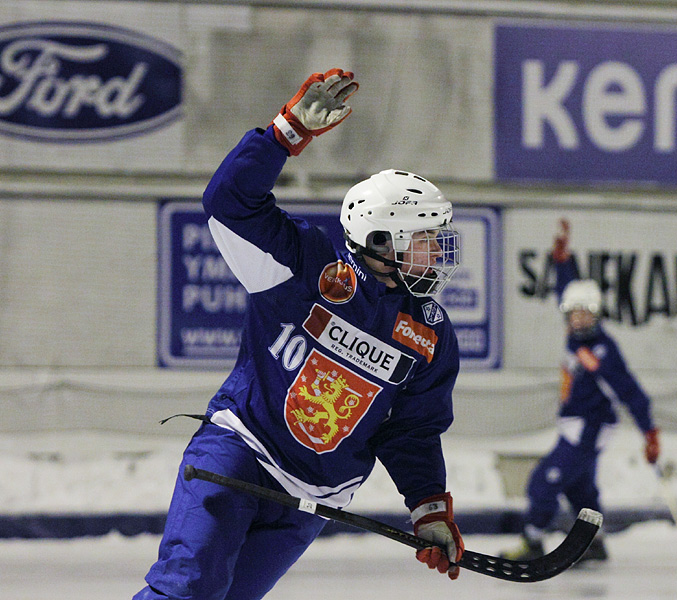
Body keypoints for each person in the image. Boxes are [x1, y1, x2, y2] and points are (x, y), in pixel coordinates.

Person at [135, 69, 465, 599]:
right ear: (381, 240)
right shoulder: (305, 265)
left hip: (312, 496)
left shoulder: (429, 333)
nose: (438, 253)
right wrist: (284, 134)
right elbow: (229, 203)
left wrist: (428, 507)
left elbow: (412, 430)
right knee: (187, 591)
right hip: (237, 453)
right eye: (424, 239)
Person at [502, 219, 660, 565]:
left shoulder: (601, 350)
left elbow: (629, 390)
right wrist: (562, 262)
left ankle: (531, 540)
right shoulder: (577, 337)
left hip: (589, 426)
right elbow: (568, 293)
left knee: (545, 480)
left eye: (585, 313)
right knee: (580, 488)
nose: (577, 318)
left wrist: (649, 431)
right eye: (573, 314)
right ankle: (595, 541)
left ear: (597, 314)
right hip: (576, 423)